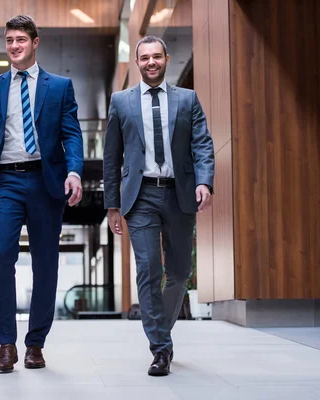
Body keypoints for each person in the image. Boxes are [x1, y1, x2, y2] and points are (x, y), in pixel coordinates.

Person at [0, 15, 84, 373]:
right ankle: (5, 344)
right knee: (1, 256)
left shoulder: (60, 86)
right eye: (9, 40)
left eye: (20, 39)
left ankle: (35, 344)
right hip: (5, 182)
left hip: (46, 183)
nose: (14, 46)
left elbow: (72, 134)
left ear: (35, 42)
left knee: (46, 263)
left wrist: (74, 171)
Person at [103, 36, 214, 376]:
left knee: (179, 272)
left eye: (156, 56)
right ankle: (161, 348)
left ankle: (160, 331)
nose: (151, 62)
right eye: (144, 58)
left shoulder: (187, 99)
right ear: (137, 62)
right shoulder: (121, 102)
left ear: (166, 58)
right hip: (140, 197)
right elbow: (112, 157)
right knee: (149, 270)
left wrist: (204, 181)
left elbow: (202, 143)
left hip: (179, 194)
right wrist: (112, 205)